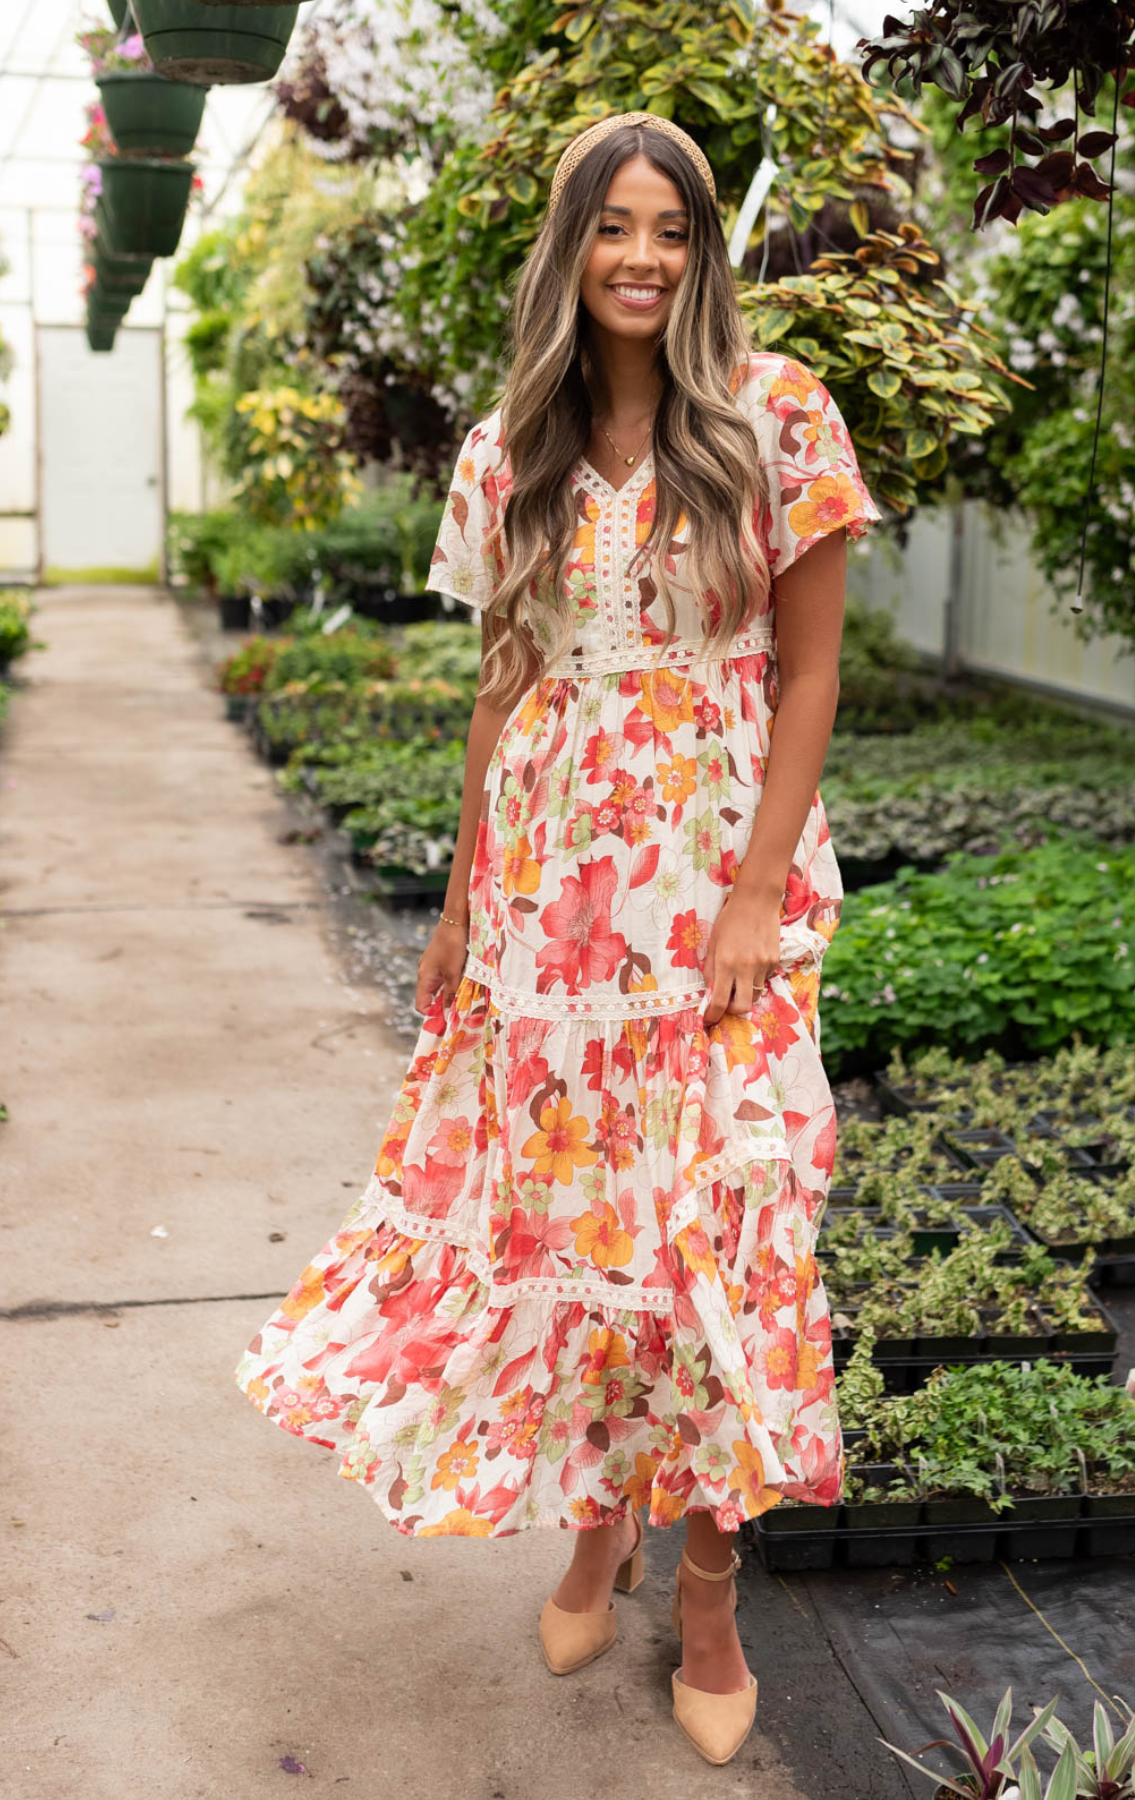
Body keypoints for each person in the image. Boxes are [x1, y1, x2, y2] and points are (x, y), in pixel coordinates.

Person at [234, 109, 880, 1767]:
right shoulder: (505, 451)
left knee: (722, 1216)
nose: (643, 257)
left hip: (711, 885)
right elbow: (504, 683)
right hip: (547, 891)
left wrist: (749, 892)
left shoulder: (775, 418)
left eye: (671, 227)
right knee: (576, 1220)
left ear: (704, 245)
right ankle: (599, 1527)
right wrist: (458, 906)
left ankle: (715, 1591)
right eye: (613, 226)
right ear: (569, 247)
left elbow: (807, 674)